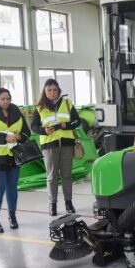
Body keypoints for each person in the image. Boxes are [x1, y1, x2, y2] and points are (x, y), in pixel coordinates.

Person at [0, 88, 31, 232]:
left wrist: (19, 136)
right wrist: (4, 137)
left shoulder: (16, 112)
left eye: (8, 99)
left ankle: (12, 216)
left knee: (12, 187)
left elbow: (27, 132)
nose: (5, 101)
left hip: (14, 156)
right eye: (2, 99)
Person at [30, 79, 81, 216]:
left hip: (67, 144)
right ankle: (52, 204)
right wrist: (43, 131)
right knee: (52, 176)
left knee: (67, 175)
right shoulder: (39, 107)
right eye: (49, 90)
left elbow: (77, 121)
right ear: (45, 92)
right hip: (49, 145)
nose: (52, 93)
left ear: (58, 91)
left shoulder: (67, 103)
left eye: (54, 90)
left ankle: (68, 202)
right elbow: (33, 126)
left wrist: (66, 125)